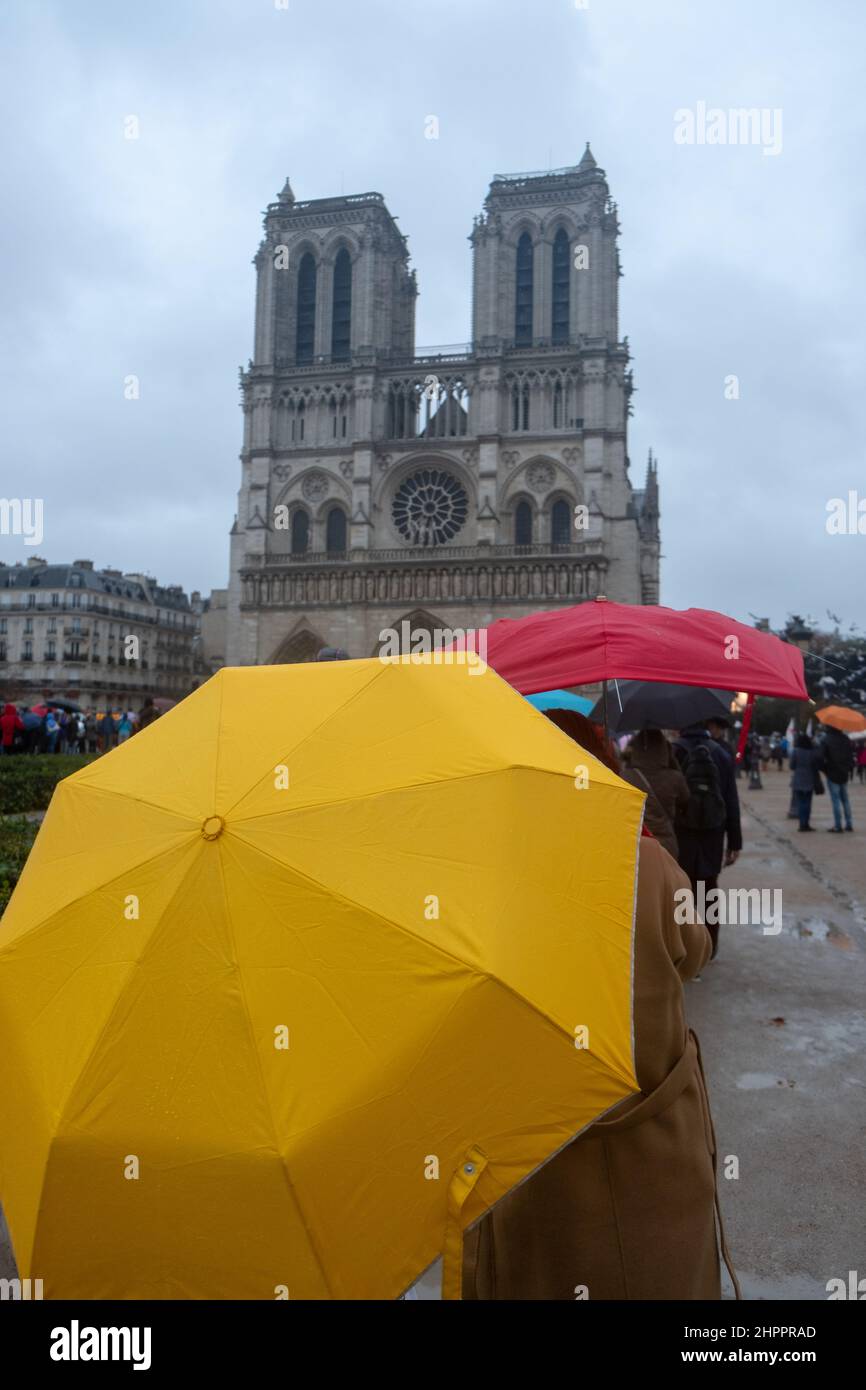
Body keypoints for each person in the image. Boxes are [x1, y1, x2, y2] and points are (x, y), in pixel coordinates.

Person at [462, 711, 737, 1301]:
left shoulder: (480, 873)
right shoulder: (645, 863)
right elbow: (696, 954)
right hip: (653, 1135)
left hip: (536, 1146)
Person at [673, 723, 742, 959]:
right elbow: (731, 799)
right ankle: (710, 945)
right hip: (714, 831)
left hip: (683, 832)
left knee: (684, 889)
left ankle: (685, 946)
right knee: (709, 887)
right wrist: (735, 841)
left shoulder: (675, 752)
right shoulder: (721, 753)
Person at [625, 728, 690, 859]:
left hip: (635, 845)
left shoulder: (626, 777)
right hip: (666, 847)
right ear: (664, 749)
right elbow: (686, 800)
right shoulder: (675, 778)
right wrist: (673, 763)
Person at [820, 724, 855, 833]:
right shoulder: (846, 739)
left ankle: (838, 825)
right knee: (845, 800)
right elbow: (850, 757)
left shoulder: (826, 739)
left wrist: (825, 770)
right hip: (843, 773)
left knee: (836, 800)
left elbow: (821, 757)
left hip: (832, 773)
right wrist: (848, 769)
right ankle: (849, 824)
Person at [789, 733, 824, 832]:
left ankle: (801, 824)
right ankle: (806, 824)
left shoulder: (795, 751)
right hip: (809, 779)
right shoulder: (812, 752)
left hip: (798, 779)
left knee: (800, 803)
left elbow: (792, 766)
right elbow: (816, 764)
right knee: (808, 803)